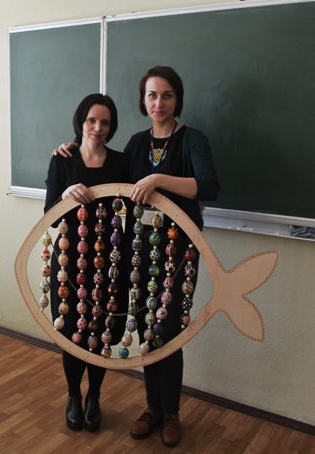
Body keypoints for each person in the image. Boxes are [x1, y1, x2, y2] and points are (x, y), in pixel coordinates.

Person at [54, 66, 220, 448]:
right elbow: (105, 174)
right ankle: (152, 408)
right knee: (147, 328)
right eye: (151, 95)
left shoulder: (191, 139)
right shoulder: (135, 144)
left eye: (166, 95)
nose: (158, 103)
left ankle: (171, 412)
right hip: (139, 252)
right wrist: (69, 148)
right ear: (143, 101)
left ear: (177, 99)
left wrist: (159, 180)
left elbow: (209, 187)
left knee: (169, 330)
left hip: (178, 253)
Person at [44, 93, 130, 433]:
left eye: (105, 122)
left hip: (110, 263)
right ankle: (73, 396)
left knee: (102, 332)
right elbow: (51, 218)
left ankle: (94, 396)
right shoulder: (62, 160)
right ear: (81, 122)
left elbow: (137, 205)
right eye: (91, 120)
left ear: (112, 127)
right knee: (72, 332)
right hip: (70, 262)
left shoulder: (122, 162)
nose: (97, 127)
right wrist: (65, 196)